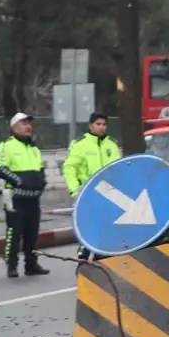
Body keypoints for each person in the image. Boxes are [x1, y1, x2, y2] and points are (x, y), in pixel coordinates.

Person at [0, 112, 49, 278]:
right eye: (24, 123)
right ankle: (12, 265)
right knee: (15, 231)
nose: (28, 126)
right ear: (14, 127)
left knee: (32, 232)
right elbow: (1, 168)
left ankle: (31, 264)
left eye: (29, 123)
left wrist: (42, 181)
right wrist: (19, 181)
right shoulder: (6, 145)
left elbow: (40, 168)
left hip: (33, 197)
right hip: (15, 197)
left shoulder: (33, 147)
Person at [63, 111, 122, 261]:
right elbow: (69, 168)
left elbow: (118, 169)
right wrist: (74, 190)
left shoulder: (112, 144)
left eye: (104, 124)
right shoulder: (80, 144)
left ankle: (101, 259)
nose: (102, 127)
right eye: (98, 124)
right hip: (88, 192)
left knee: (107, 228)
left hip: (109, 193)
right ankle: (82, 259)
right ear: (91, 126)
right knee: (89, 229)